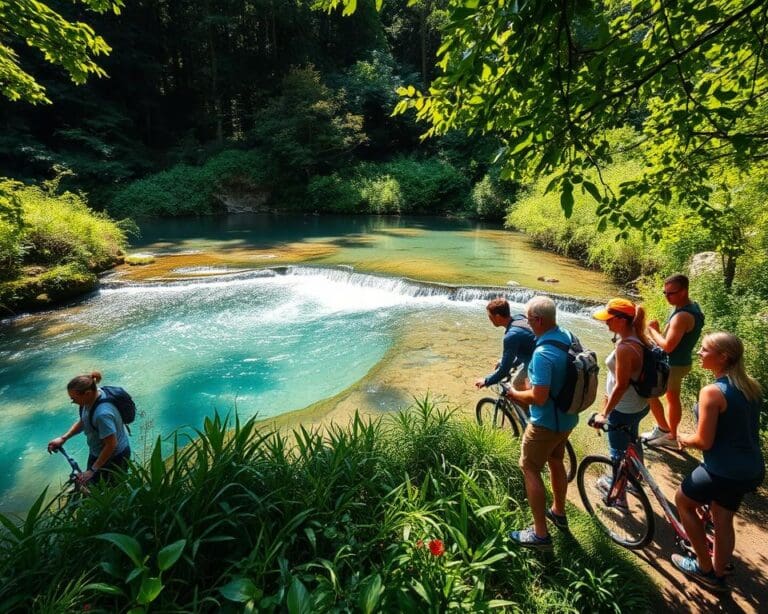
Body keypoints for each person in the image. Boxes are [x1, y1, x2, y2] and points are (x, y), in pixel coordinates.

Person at [672, 332, 764, 592]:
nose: (699, 353)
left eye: (704, 350)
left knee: (683, 501)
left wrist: (682, 437)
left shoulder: (712, 392)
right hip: (751, 468)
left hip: (724, 470)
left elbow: (704, 441)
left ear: (723, 357)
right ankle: (720, 572)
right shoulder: (750, 386)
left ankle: (703, 567)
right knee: (723, 519)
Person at [506, 295, 577, 548]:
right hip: (568, 418)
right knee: (556, 460)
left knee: (529, 467)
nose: (526, 323)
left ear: (537, 320)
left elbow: (538, 397)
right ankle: (558, 511)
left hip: (546, 423)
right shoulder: (568, 336)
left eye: (528, 319)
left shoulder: (543, 354)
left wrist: (514, 393)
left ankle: (540, 535)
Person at [591, 299, 652, 506]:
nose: (606, 323)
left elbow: (621, 385)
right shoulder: (640, 339)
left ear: (620, 320)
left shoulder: (625, 348)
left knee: (617, 453)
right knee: (632, 441)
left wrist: (604, 414)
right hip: (640, 405)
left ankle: (619, 497)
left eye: (609, 319)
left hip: (623, 409)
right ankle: (635, 477)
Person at [642, 274, 704, 446]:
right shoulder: (689, 307)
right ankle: (665, 429)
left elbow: (668, 346)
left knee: (663, 396)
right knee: (664, 396)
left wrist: (652, 330)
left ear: (684, 291)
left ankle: (671, 436)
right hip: (680, 361)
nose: (667, 297)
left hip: (675, 365)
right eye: (665, 293)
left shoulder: (682, 316)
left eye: (671, 293)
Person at [47, 371, 131, 486]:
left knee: (110, 492)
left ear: (87, 393)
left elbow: (111, 445)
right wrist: (63, 438)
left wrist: (92, 470)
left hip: (114, 458)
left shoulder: (102, 415)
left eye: (74, 398)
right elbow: (84, 421)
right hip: (98, 453)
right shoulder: (93, 397)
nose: (72, 401)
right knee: (90, 485)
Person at [474, 297, 536, 395]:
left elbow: (504, 370)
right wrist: (508, 362)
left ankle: (527, 410)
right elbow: (525, 349)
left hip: (536, 363)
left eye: (490, 317)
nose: (490, 320)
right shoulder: (520, 318)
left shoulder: (511, 336)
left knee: (517, 385)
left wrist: (486, 381)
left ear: (498, 317)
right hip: (538, 356)